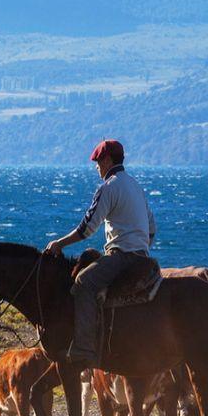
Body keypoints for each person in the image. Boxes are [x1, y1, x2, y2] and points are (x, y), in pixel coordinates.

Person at [43, 139, 157, 368]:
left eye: (97, 161)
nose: (96, 167)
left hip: (122, 256)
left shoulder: (109, 187)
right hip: (143, 256)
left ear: (107, 160)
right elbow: (152, 229)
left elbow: (87, 228)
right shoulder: (135, 185)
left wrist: (59, 244)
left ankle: (84, 349)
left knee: (84, 282)